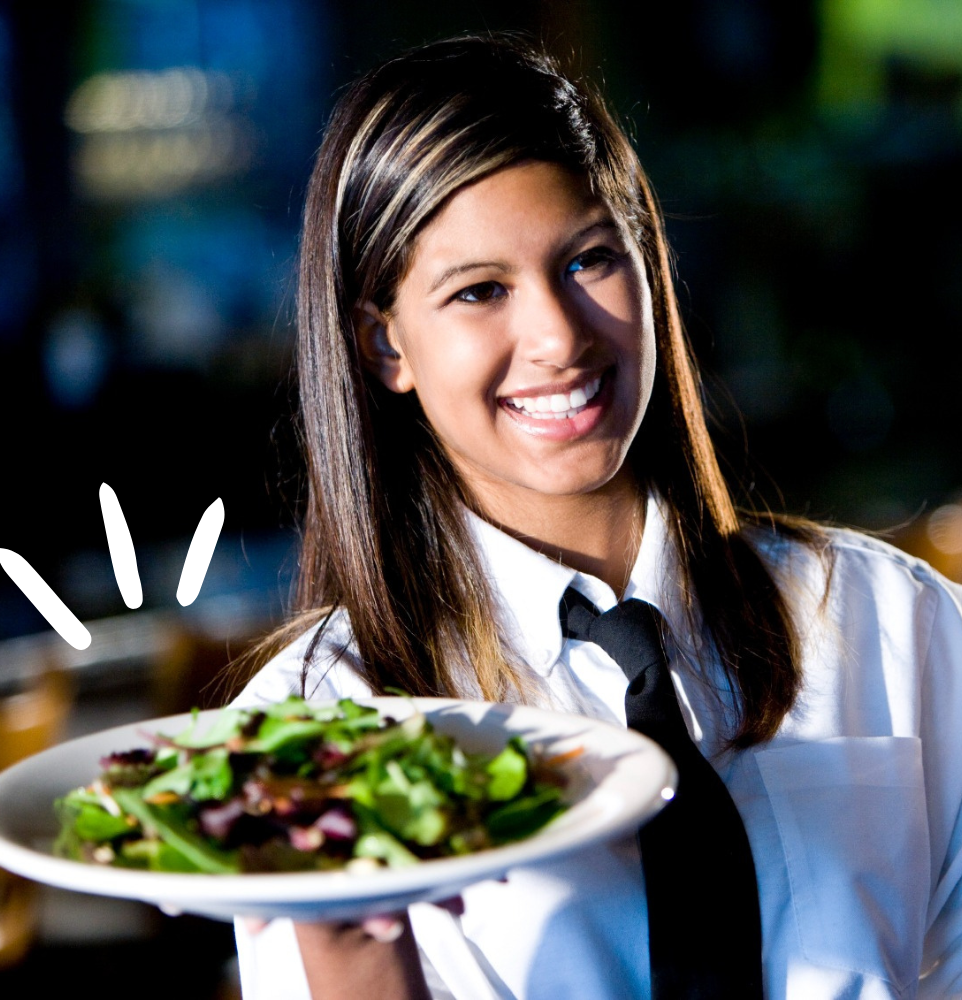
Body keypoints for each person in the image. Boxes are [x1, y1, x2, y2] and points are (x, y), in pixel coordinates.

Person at [229, 34, 962, 1000]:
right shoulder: (316, 732)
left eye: (587, 261)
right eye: (480, 291)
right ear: (384, 345)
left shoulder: (891, 619)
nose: (560, 336)